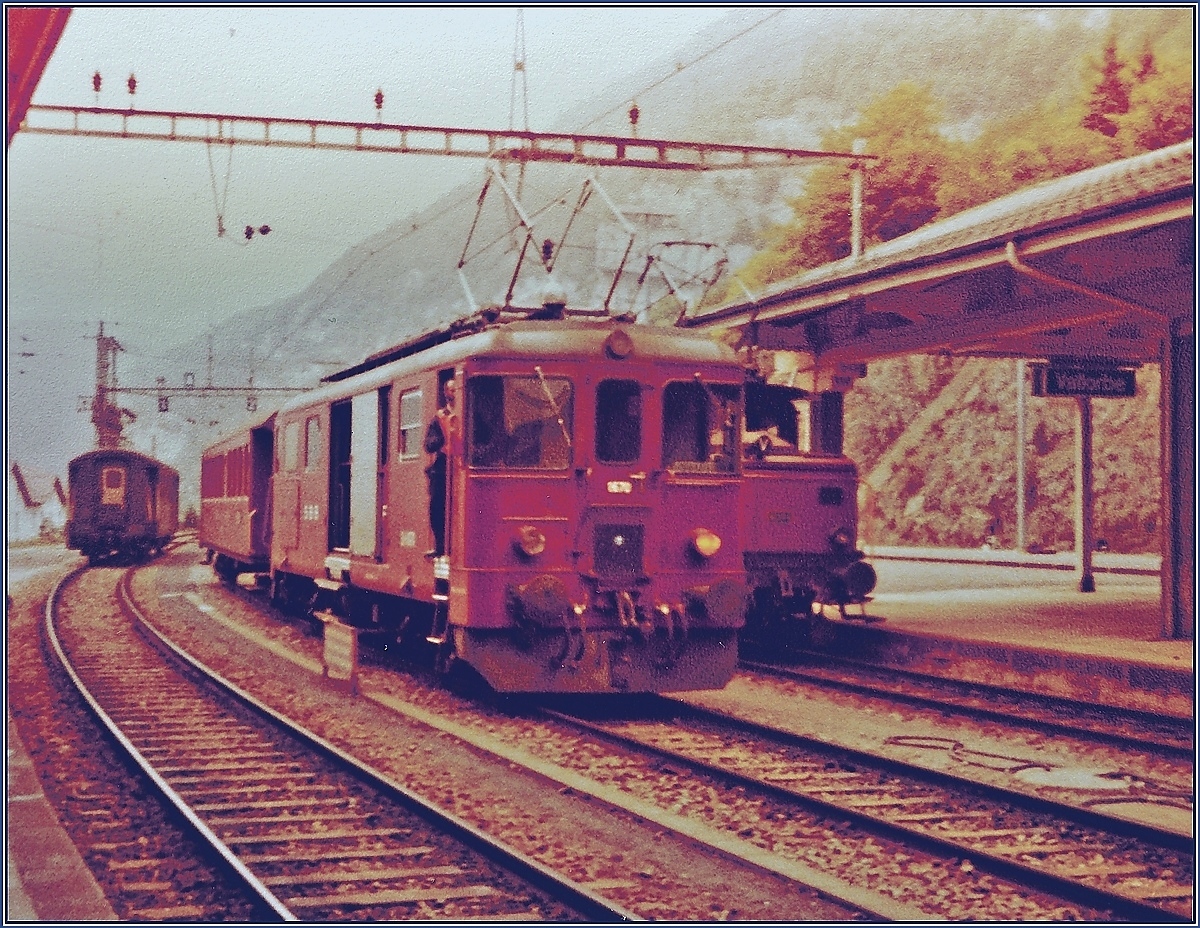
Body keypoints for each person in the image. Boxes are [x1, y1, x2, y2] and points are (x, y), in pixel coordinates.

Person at [424, 378, 456, 557]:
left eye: (456, 389)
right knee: (437, 506)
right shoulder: (439, 418)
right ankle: (440, 546)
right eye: (451, 390)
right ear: (446, 393)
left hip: (463, 463)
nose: (454, 393)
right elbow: (428, 444)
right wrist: (444, 438)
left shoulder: (472, 414)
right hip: (443, 466)